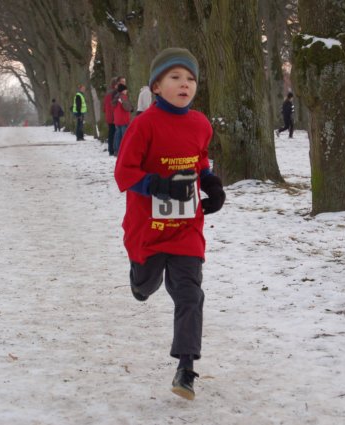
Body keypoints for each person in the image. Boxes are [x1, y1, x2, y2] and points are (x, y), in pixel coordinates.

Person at [114, 47, 226, 401]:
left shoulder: (201, 124)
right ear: (156, 87)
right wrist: (159, 185)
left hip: (186, 227)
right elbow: (124, 173)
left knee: (190, 293)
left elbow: (200, 160)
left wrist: (211, 184)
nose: (184, 84)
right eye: (175, 77)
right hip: (148, 228)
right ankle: (139, 281)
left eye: (190, 79)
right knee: (147, 284)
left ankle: (186, 368)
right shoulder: (143, 124)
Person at [112, 83, 132, 155]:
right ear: (123, 90)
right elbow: (127, 107)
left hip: (117, 119)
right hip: (124, 119)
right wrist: (131, 108)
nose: (126, 91)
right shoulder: (123, 97)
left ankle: (117, 151)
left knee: (117, 136)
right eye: (125, 90)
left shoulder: (115, 97)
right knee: (125, 136)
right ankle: (124, 151)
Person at [103, 77, 119, 155]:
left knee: (111, 133)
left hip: (108, 116)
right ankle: (114, 149)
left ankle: (110, 149)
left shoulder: (107, 94)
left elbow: (104, 107)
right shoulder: (115, 93)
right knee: (115, 133)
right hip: (114, 116)